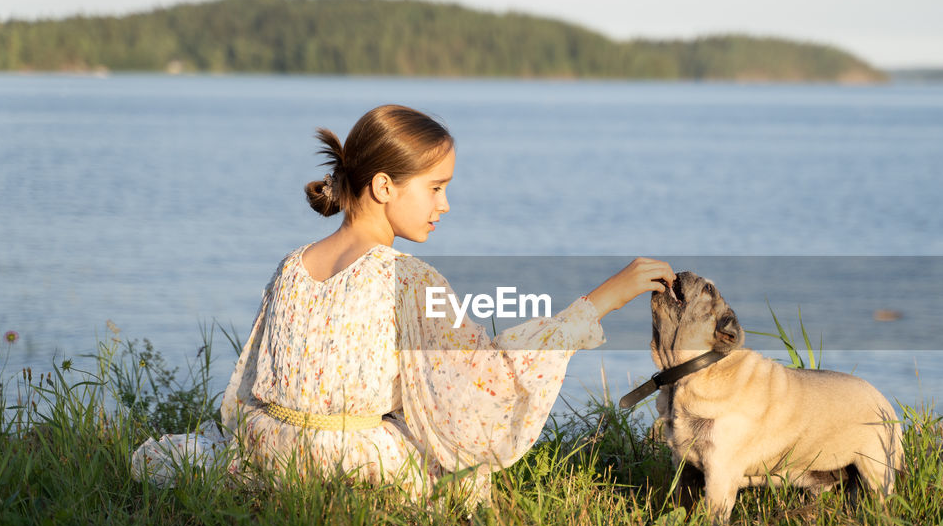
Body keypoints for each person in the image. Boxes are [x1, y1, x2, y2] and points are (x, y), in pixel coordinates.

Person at [130, 104, 673, 503]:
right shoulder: (408, 279)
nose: (446, 204)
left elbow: (254, 379)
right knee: (461, 467)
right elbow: (487, 379)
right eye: (436, 188)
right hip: (344, 461)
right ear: (385, 186)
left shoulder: (292, 263)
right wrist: (601, 300)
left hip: (268, 444)